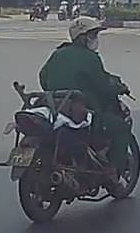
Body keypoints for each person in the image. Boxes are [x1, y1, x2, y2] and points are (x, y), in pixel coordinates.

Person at [38, 16, 133, 190]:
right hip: (85, 113)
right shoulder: (91, 58)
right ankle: (112, 173)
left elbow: (43, 78)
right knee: (121, 128)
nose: (95, 39)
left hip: (56, 110)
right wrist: (118, 88)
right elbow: (103, 86)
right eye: (93, 35)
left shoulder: (57, 54)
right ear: (82, 37)